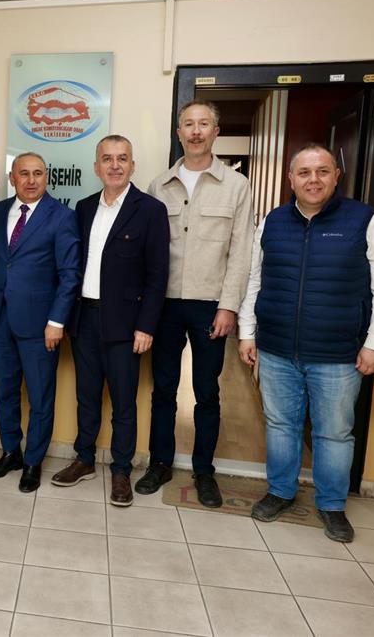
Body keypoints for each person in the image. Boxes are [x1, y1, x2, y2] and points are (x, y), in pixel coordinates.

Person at [239, 143, 374, 542]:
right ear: (290, 179)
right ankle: (280, 492)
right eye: (304, 172)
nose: (313, 180)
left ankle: (332, 505)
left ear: (336, 176)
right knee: (281, 425)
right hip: (277, 348)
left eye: (322, 171)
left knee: (333, 433)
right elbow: (255, 279)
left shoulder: (367, 221)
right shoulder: (273, 222)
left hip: (338, 354)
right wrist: (247, 331)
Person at [137, 100, 254, 508]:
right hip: (165, 305)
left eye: (204, 124)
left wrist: (229, 306)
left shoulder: (236, 186)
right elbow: (149, 253)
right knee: (163, 389)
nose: (196, 131)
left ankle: (204, 471)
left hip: (210, 305)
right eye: (189, 124)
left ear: (216, 131)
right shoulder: (159, 185)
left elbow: (241, 252)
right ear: (179, 133)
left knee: (207, 392)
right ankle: (160, 463)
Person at [51, 136, 170, 506]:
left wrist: (146, 326)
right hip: (84, 318)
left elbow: (158, 275)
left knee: (123, 402)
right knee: (86, 396)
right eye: (107, 159)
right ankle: (84, 459)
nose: (115, 165)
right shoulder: (84, 207)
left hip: (126, 324)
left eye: (122, 159)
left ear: (133, 165)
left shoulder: (150, 210)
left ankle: (121, 470)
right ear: (96, 166)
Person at [0, 153, 80, 492]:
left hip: (40, 324)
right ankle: (11, 452)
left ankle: (33, 462)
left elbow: (69, 274)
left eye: (38, 173)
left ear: (46, 177)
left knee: (40, 397)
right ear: (12, 178)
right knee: (5, 391)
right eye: (24, 173)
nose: (31, 180)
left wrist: (57, 321)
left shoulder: (62, 216)